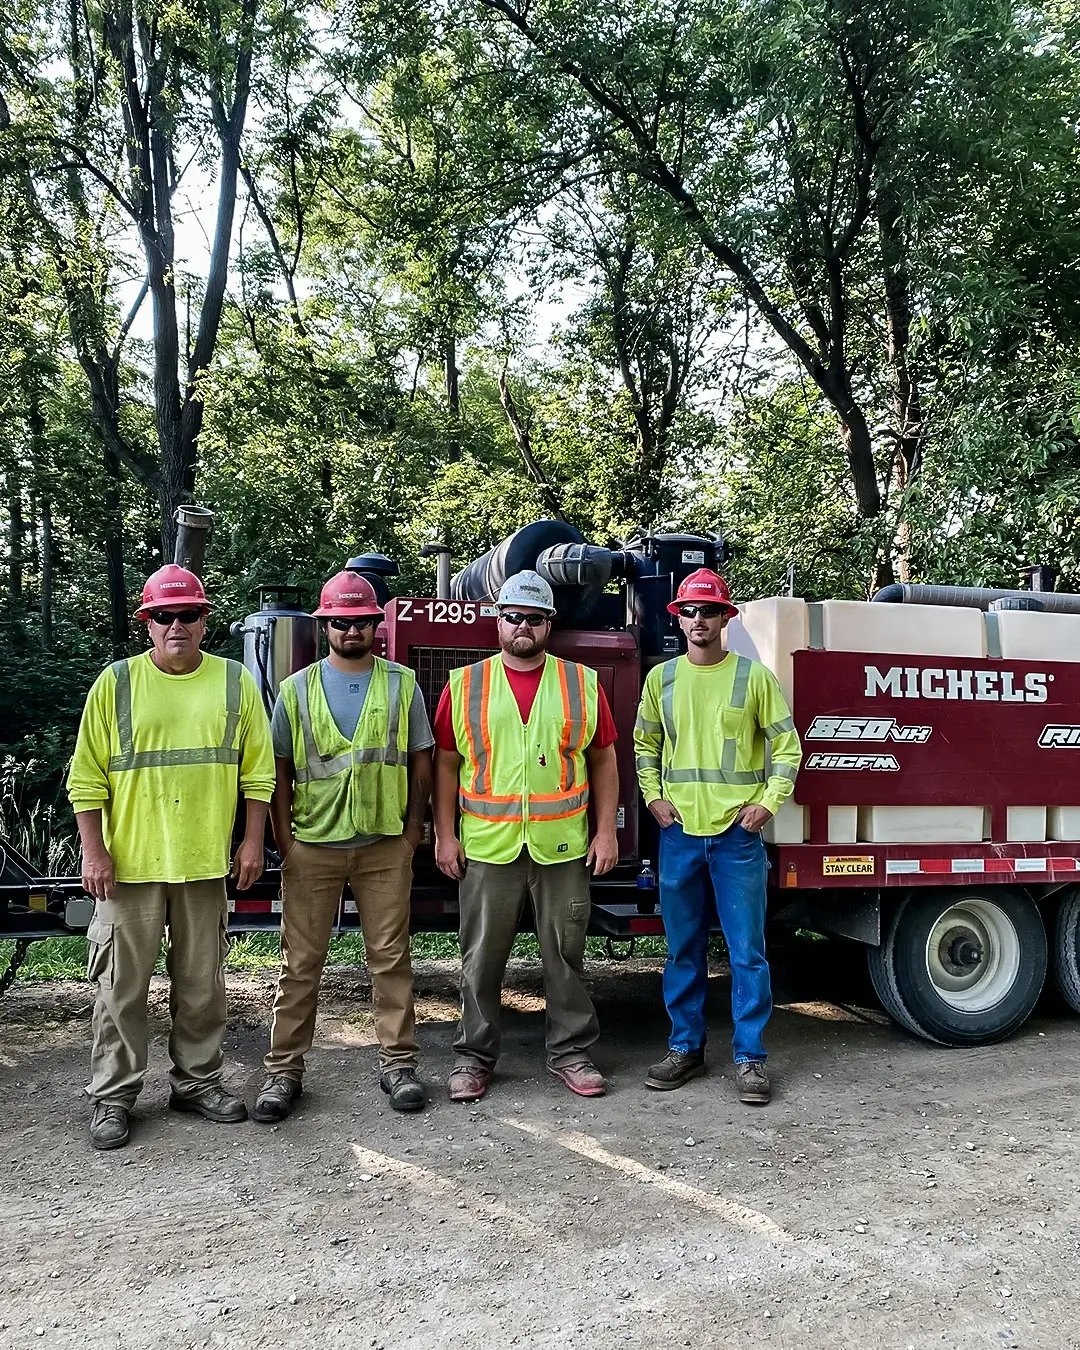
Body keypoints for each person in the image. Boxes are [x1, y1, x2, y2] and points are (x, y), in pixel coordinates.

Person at [68, 564, 275, 1150]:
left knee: (202, 985)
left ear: (205, 620)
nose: (177, 625)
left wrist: (252, 839)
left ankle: (197, 1082)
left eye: (188, 614)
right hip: (128, 868)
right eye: (164, 615)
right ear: (147, 624)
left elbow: (258, 774)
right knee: (119, 989)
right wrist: (94, 852)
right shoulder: (116, 684)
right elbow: (87, 779)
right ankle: (113, 1097)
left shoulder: (234, 683)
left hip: (204, 863)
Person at [432, 570, 619, 1102]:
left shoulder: (581, 683)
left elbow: (603, 760)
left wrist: (605, 832)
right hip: (489, 846)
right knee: (481, 958)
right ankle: (473, 1057)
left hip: (563, 846)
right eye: (512, 616)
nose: (522, 626)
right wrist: (445, 835)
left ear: (548, 625)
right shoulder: (464, 684)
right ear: (498, 619)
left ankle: (571, 1052)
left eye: (533, 618)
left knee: (565, 954)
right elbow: (445, 765)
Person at [253, 571, 433, 1121]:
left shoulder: (402, 683)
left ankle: (398, 1065)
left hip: (383, 844)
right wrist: (284, 838)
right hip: (313, 844)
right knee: (301, 964)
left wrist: (410, 832)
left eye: (360, 620)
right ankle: (284, 1072)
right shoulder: (296, 689)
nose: (351, 629)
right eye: (340, 621)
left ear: (375, 625)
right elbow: (277, 770)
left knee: (390, 957)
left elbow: (422, 758)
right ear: (325, 625)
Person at [633, 568, 802, 1104]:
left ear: (725, 617)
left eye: (709, 611)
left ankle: (750, 1059)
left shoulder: (754, 678)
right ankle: (686, 1048)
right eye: (690, 611)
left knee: (747, 952)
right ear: (678, 618)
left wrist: (766, 805)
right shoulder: (660, 679)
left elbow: (788, 749)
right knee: (682, 950)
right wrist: (654, 797)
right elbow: (645, 746)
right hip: (679, 833)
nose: (699, 619)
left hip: (736, 837)